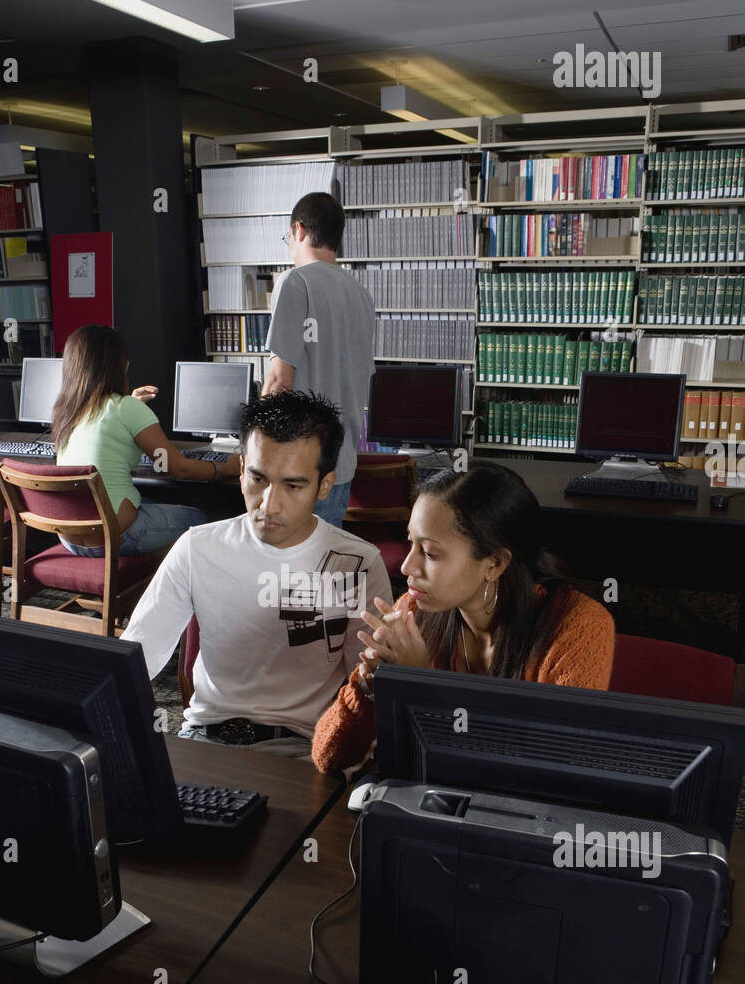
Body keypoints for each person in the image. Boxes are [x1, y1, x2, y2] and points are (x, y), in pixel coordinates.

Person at [121, 391, 392, 758]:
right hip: (207, 736)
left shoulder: (355, 563)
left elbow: (367, 688)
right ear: (243, 467)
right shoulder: (198, 547)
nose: (269, 504)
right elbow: (136, 657)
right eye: (258, 478)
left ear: (324, 485)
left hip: (303, 748)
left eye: (293, 486)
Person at [312, 461, 615, 774]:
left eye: (429, 553)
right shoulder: (414, 611)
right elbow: (328, 757)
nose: (406, 567)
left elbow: (553, 771)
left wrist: (420, 684)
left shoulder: (580, 626)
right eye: (410, 543)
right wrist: (370, 685)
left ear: (494, 564)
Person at [52, 324, 241, 556]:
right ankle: (166, 584)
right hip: (116, 537)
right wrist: (226, 468)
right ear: (117, 366)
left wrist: (129, 406)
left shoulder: (67, 412)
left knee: (149, 501)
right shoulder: (125, 408)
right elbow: (180, 468)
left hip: (71, 540)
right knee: (200, 517)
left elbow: (106, 434)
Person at [262, 192, 375, 529]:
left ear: (299, 230)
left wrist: (253, 443)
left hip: (298, 462)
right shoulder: (361, 295)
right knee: (324, 563)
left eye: (288, 237)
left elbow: (280, 380)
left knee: (291, 567)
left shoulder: (295, 282)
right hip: (340, 460)